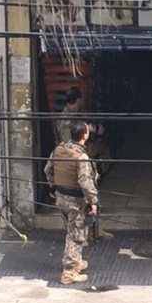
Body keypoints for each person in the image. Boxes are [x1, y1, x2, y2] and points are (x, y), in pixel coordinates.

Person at [44, 121, 100, 285]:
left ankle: (77, 262)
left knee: (71, 231)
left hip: (61, 197)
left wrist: (52, 187)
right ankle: (69, 273)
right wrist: (93, 202)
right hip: (76, 201)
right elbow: (85, 182)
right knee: (76, 236)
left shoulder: (59, 149)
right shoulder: (81, 157)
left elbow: (48, 170)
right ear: (84, 135)